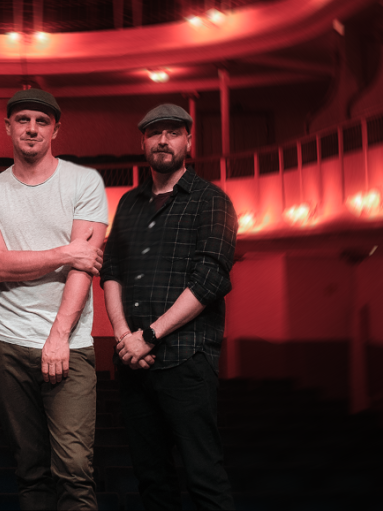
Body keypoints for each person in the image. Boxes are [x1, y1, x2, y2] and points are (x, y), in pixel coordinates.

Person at [0, 88, 108, 511]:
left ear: (55, 130)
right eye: (23, 119)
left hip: (69, 344)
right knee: (30, 471)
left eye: (42, 121)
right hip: (6, 344)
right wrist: (66, 252)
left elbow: (85, 269)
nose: (32, 128)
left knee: (74, 470)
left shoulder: (85, 182)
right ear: (8, 126)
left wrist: (58, 336)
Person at [101, 103, 237, 510]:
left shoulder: (211, 201)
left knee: (205, 480)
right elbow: (111, 270)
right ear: (143, 142)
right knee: (152, 482)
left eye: (173, 132)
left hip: (186, 362)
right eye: (154, 133)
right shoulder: (129, 203)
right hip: (134, 364)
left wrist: (149, 336)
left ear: (188, 141)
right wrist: (124, 337)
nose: (163, 140)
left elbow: (209, 280)